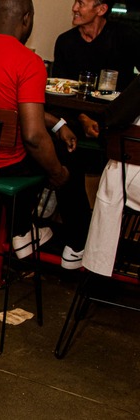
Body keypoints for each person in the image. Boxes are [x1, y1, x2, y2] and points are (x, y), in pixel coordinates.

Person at [0, 0, 90, 266]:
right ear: (27, 19)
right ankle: (75, 244)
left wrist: (57, 124)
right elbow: (32, 135)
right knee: (69, 156)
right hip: (5, 165)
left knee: (51, 141)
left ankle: (22, 229)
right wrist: (58, 174)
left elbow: (6, 106)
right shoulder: (29, 61)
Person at [51, 0, 140, 139]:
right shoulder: (65, 41)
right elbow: (60, 92)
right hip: (74, 120)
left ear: (101, 9)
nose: (74, 8)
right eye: (75, 2)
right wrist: (84, 119)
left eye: (81, 3)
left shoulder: (126, 37)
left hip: (117, 123)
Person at [82, 74, 140, 276]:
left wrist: (97, 122)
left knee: (114, 171)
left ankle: (96, 269)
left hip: (132, 183)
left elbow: (117, 115)